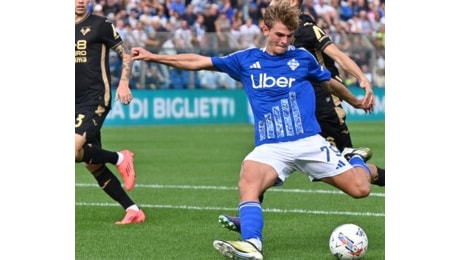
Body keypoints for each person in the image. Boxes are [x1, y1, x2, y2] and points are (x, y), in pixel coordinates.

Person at [132, 2, 377, 259]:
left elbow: (330, 83)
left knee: (360, 189)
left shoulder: (302, 58)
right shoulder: (246, 60)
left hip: (308, 141)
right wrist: (153, 56)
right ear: (265, 29)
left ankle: (354, 157)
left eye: (289, 36)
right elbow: (197, 62)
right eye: (279, 35)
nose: (284, 41)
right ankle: (252, 244)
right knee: (248, 178)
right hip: (271, 146)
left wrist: (355, 101)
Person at [217, 0, 385, 241]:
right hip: (296, 107)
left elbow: (335, 55)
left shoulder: (306, 27)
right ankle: (249, 220)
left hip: (325, 105)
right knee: (257, 170)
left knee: (356, 183)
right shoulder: (277, 30)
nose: (285, 39)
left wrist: (360, 80)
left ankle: (354, 156)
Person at [75, 0, 145, 224]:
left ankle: (120, 157)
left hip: (94, 98)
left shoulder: (100, 24)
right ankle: (133, 210)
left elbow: (125, 53)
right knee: (90, 162)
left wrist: (124, 83)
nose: (80, 1)